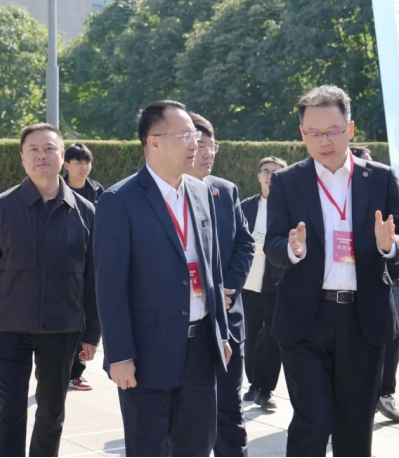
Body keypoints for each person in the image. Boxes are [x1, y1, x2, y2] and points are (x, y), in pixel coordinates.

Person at [264, 85, 399, 456]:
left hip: (363, 320)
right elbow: (273, 245)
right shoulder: (287, 181)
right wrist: (292, 250)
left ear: (350, 129)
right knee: (313, 421)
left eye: (332, 130)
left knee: (355, 427)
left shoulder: (380, 178)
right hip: (305, 319)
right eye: (314, 132)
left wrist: (388, 245)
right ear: (302, 134)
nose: (324, 140)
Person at [94, 100, 231, 457]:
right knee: (148, 449)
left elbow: (212, 269)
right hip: (147, 353)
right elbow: (110, 287)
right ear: (154, 141)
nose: (195, 144)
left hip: (201, 348)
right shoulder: (119, 200)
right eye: (185, 135)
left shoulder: (202, 192)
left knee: (197, 446)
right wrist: (119, 355)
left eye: (195, 136)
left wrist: (221, 331)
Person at [0, 123, 99, 457]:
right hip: (9, 327)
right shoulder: (1, 208)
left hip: (63, 328)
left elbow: (93, 276)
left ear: (62, 156)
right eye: (32, 149)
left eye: (49, 148)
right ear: (22, 158)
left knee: (51, 412)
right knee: (9, 412)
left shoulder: (85, 211)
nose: (41, 155)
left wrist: (92, 331)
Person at [186, 112, 255, 457]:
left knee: (229, 409)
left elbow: (245, 243)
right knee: (186, 420)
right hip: (185, 326)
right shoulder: (165, 196)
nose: (207, 153)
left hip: (227, 320)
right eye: (200, 145)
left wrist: (229, 286)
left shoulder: (225, 191)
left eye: (212, 146)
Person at [350, 145, 399, 424]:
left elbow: (396, 235)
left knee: (391, 337)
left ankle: (385, 394)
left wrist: (395, 269)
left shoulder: (382, 185)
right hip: (347, 288)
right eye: (365, 162)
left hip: (380, 281)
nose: (369, 167)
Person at [241, 157, 287, 410]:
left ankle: (265, 389)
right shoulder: (246, 206)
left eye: (276, 172)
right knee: (250, 335)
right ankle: (253, 384)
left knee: (271, 336)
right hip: (248, 282)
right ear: (258, 176)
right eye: (266, 171)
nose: (270, 176)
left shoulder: (289, 208)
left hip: (277, 283)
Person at [62, 142, 104, 391]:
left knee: (87, 315)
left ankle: (76, 373)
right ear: (66, 164)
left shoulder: (97, 190)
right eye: (78, 162)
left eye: (87, 162)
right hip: (65, 261)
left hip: (91, 258)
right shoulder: (57, 188)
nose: (83, 167)